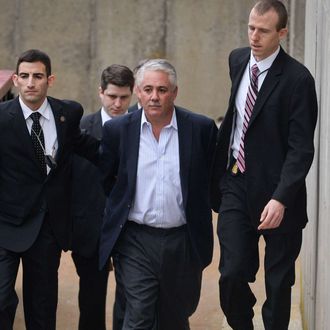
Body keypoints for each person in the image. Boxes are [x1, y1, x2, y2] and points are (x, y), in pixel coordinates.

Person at [210, 1, 318, 329]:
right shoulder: (238, 59)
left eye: (264, 30)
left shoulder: (299, 80)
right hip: (236, 182)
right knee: (230, 274)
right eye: (251, 28)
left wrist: (281, 197)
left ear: (282, 33)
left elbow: (301, 149)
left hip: (278, 193)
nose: (254, 36)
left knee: (278, 284)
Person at [98, 59, 217, 329]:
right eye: (148, 89)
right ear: (138, 92)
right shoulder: (118, 131)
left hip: (183, 239)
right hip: (135, 239)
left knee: (175, 315)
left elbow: (212, 180)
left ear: (174, 93)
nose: (154, 97)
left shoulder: (200, 129)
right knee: (139, 312)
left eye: (162, 90)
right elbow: (107, 181)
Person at [0, 49, 99, 330]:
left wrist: (126, 162)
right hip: (5, 224)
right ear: (16, 80)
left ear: (50, 80)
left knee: (42, 308)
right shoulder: (1, 118)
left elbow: (86, 147)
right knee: (1, 299)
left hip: (47, 226)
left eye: (38, 76)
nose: (31, 82)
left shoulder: (67, 113)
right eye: (25, 76)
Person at [70, 64, 134, 330]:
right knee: (91, 300)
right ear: (100, 93)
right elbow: (73, 182)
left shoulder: (145, 127)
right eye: (111, 96)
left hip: (132, 228)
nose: (117, 103)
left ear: (133, 94)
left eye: (123, 97)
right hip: (89, 230)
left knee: (132, 298)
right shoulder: (80, 128)